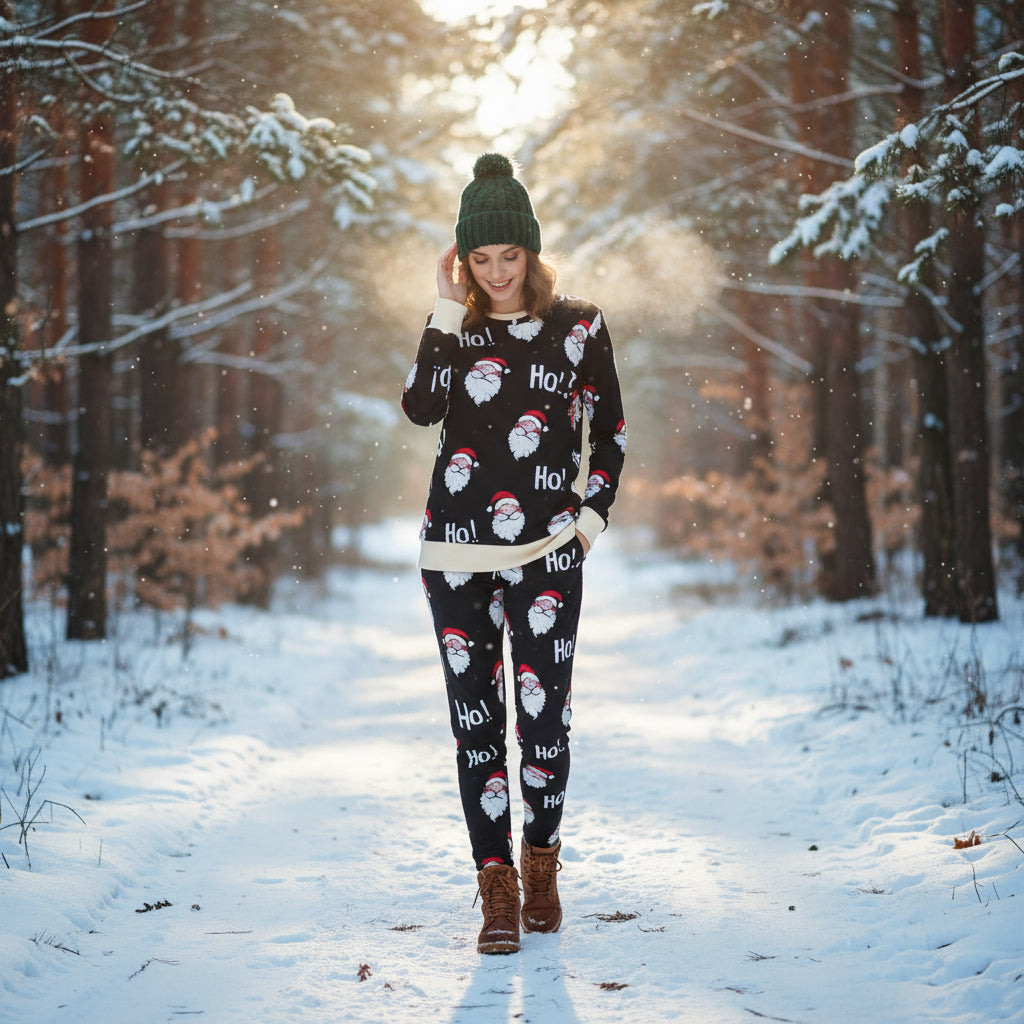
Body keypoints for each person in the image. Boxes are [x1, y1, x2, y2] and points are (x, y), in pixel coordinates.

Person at [401, 153, 627, 954]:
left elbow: (611, 436)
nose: (496, 273)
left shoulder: (580, 327)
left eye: (510, 255)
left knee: (544, 724)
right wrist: (440, 304)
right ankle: (495, 888)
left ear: (531, 252)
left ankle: (541, 863)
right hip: (454, 556)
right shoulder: (453, 330)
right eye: (480, 259)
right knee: (477, 728)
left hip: (548, 554)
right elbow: (420, 408)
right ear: (464, 261)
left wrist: (588, 523)